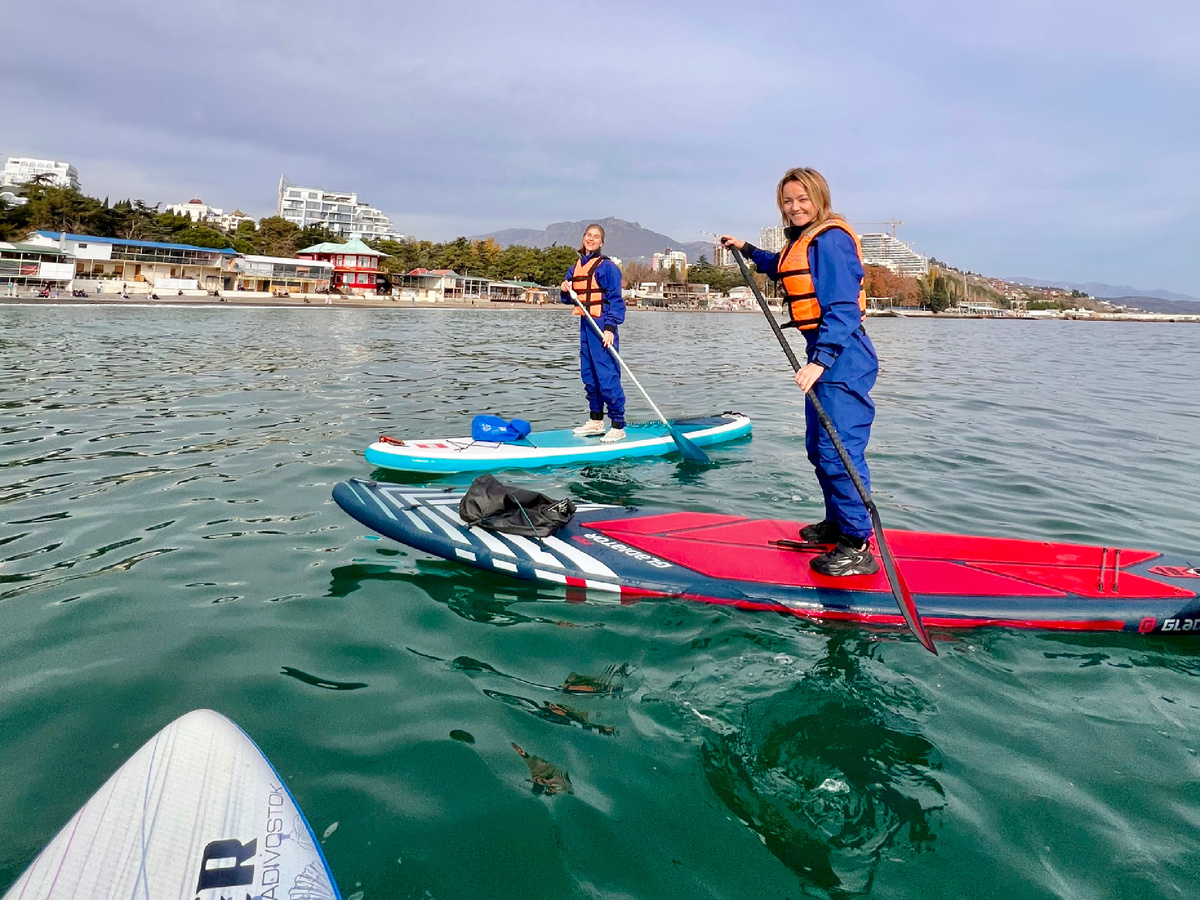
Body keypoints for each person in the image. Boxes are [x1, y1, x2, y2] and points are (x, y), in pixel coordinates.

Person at [721, 167, 880, 577]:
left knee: (838, 450)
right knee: (818, 446)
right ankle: (838, 523)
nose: (794, 207)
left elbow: (843, 309)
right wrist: (748, 249)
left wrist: (820, 360)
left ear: (819, 198)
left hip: (843, 355)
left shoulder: (830, 241)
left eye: (802, 199)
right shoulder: (804, 242)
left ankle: (857, 544)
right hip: (824, 351)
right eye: (788, 201)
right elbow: (781, 266)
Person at [559, 223, 627, 442]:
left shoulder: (607, 267)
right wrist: (565, 290)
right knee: (589, 375)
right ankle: (596, 421)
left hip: (602, 325)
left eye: (596, 237)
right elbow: (570, 297)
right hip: (585, 325)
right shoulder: (576, 266)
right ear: (583, 238)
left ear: (601, 242)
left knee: (607, 375)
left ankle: (618, 424)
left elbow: (616, 302)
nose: (591, 239)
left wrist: (610, 329)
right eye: (588, 235)